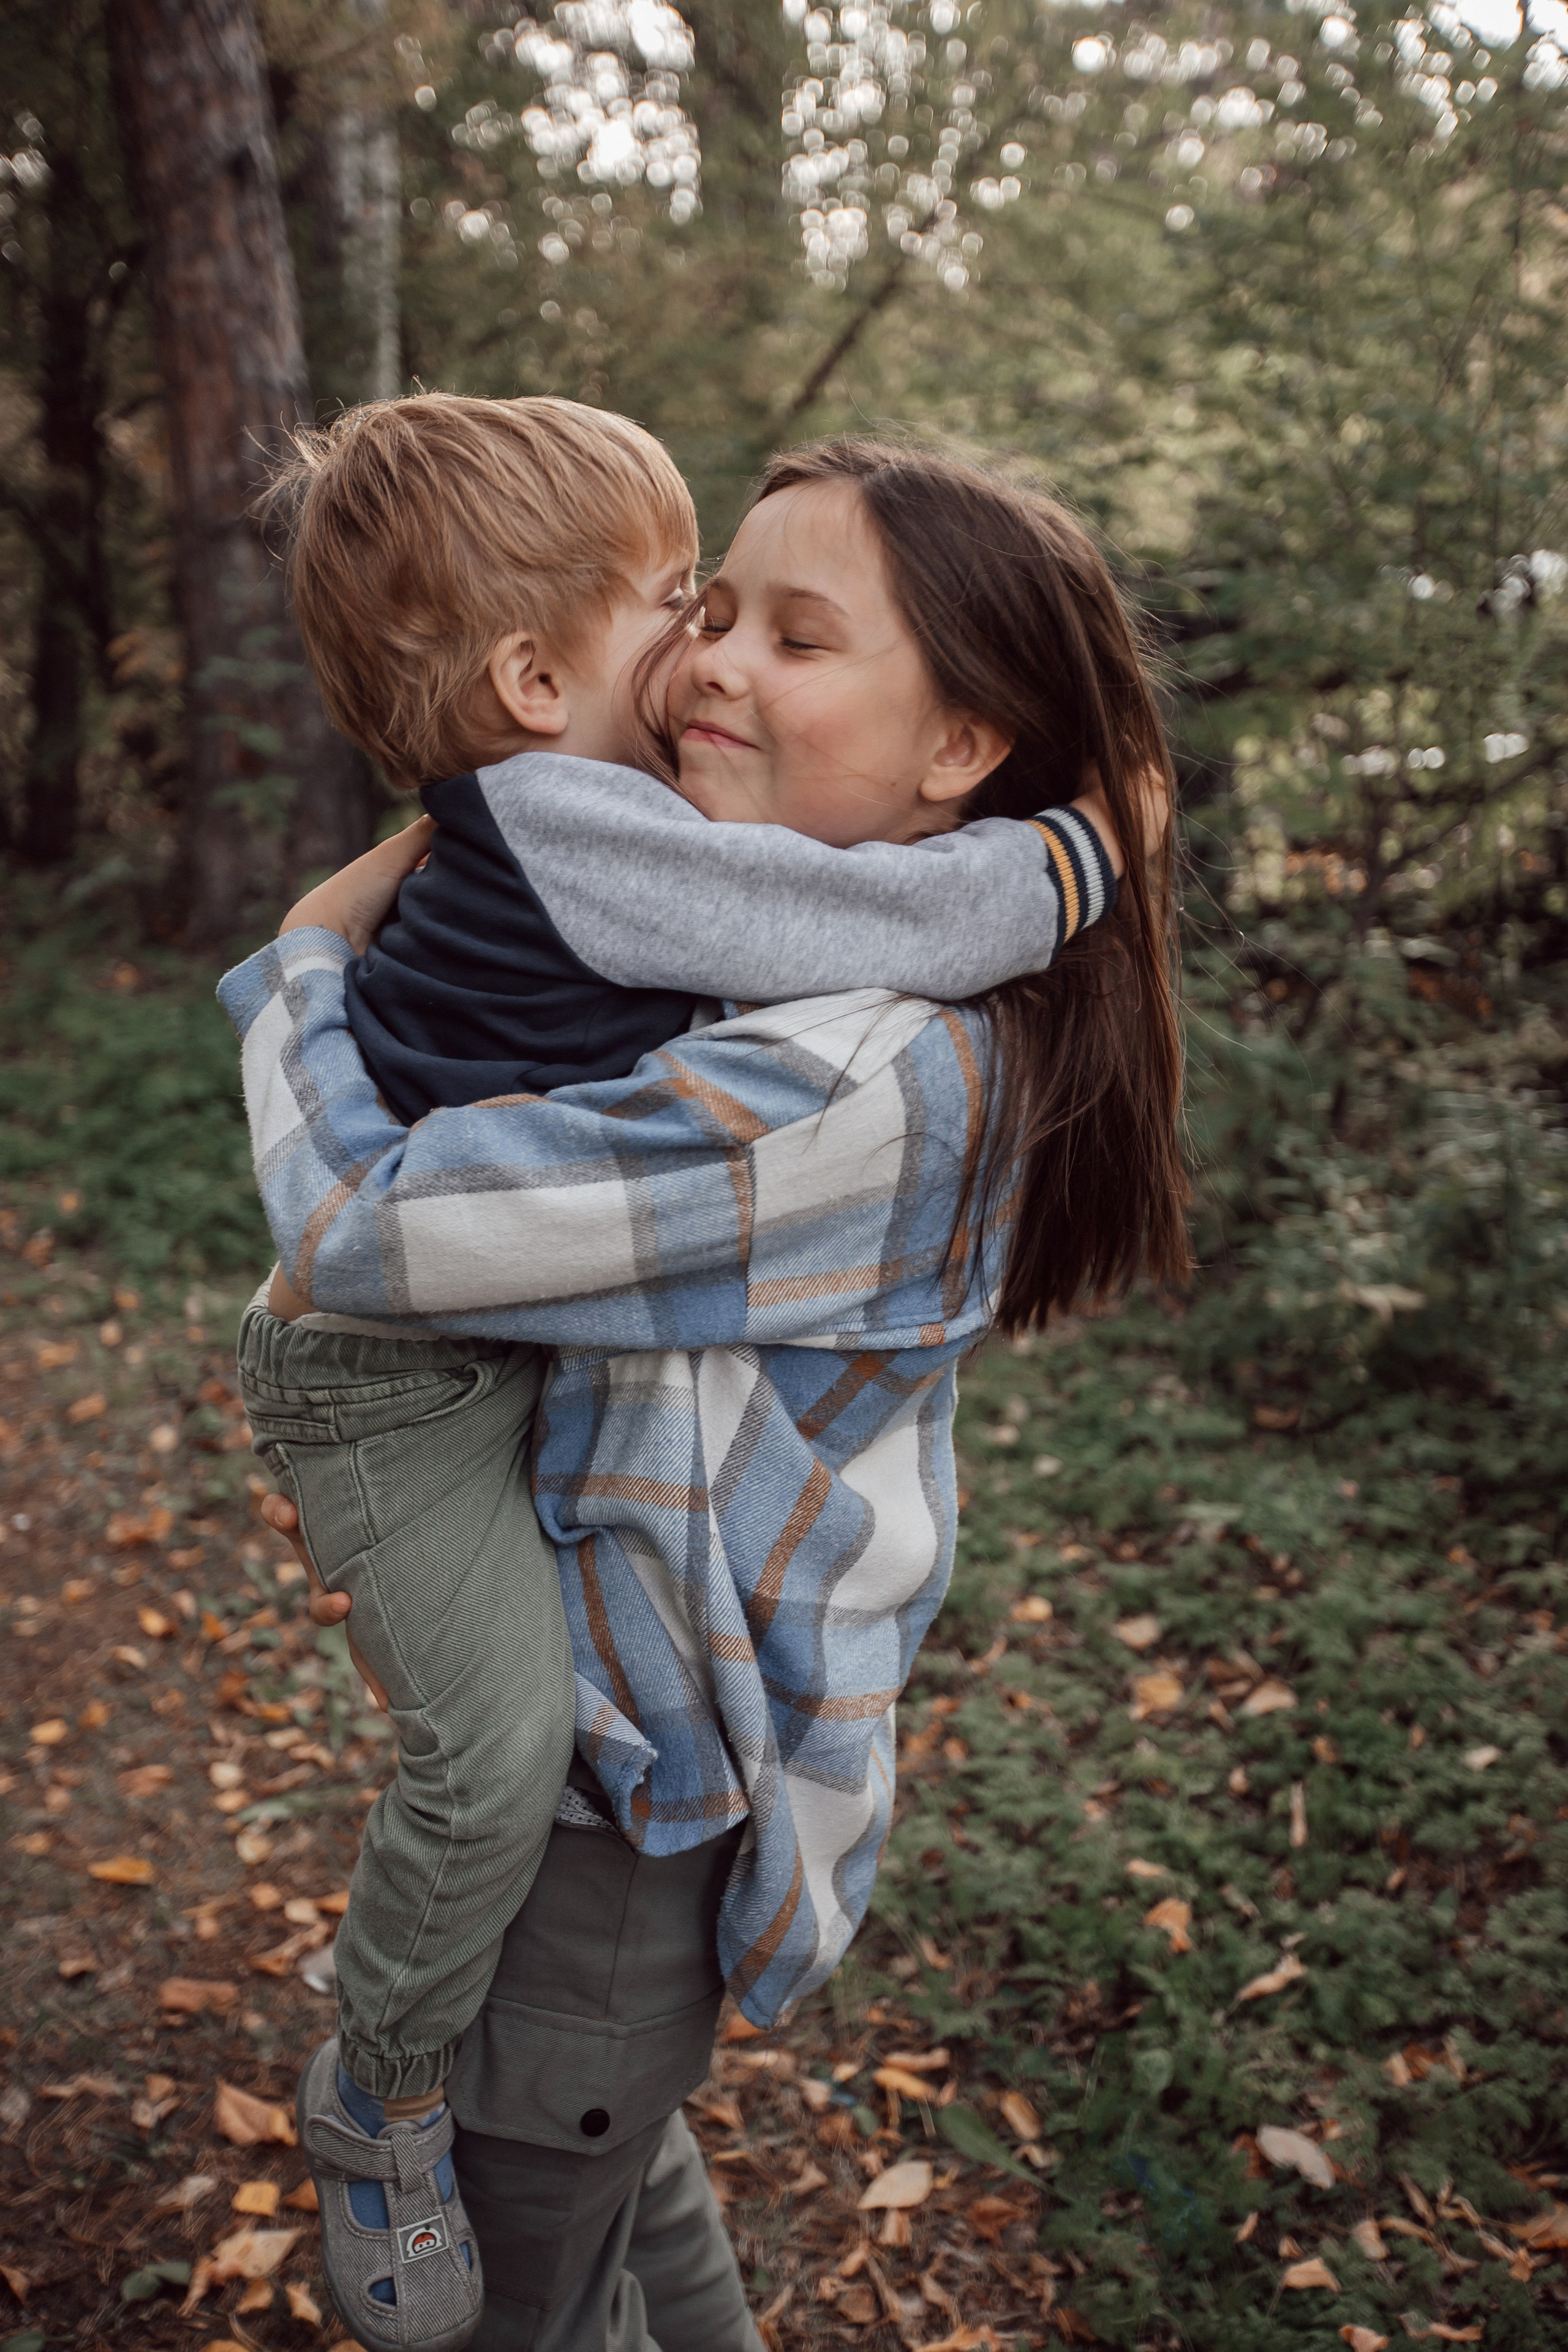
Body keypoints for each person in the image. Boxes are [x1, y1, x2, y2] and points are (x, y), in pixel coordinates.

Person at [228, 437, 1186, 2351]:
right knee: (613, 2202)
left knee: (541, 2258)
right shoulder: (736, 957)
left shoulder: (850, 1080)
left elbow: (358, 1224)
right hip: (629, 1753)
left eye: (791, 631)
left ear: (961, 745)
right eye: (707, 605)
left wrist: (299, 974)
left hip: (618, 1803)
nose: (708, 660)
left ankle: (380, 2093)